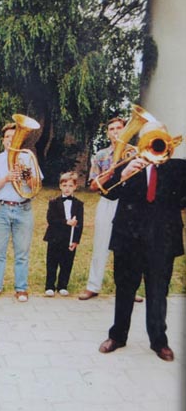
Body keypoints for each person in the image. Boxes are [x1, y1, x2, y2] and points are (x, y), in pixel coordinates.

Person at [97, 121, 185, 362]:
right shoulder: (126, 162)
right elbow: (106, 191)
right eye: (149, 136)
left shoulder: (178, 168)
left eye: (159, 136)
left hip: (162, 240)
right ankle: (117, 336)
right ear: (140, 141)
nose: (154, 141)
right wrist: (124, 175)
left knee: (158, 291)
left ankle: (159, 341)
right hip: (129, 238)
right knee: (124, 289)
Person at [78, 117, 143, 303]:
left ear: (125, 130)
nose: (115, 132)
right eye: (112, 129)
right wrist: (111, 171)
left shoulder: (136, 152)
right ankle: (93, 286)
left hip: (130, 203)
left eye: (119, 128)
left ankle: (129, 289)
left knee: (129, 247)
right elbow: (93, 186)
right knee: (101, 244)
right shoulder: (101, 155)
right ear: (108, 133)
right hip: (108, 202)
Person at [0, 122, 41, 303]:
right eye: (7, 137)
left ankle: (21, 289)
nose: (11, 140)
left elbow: (36, 187)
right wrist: (5, 179)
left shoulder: (28, 158)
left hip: (23, 208)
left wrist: (26, 176)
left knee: (22, 252)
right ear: (3, 140)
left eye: (14, 137)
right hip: (0, 209)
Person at [43, 172, 84, 297]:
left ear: (75, 187)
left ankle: (62, 285)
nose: (67, 188)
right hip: (54, 237)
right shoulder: (53, 202)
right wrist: (66, 222)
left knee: (67, 262)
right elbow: (51, 219)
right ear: (60, 186)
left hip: (69, 237)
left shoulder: (79, 204)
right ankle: (50, 286)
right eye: (65, 185)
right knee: (52, 262)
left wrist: (75, 240)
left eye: (70, 186)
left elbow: (80, 224)